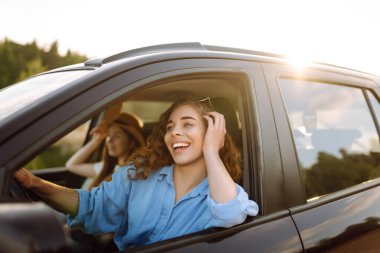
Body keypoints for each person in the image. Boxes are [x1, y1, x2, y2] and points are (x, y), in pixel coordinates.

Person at [14, 98, 259, 251]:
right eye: (170, 127)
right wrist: (33, 183)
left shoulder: (221, 191)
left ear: (212, 134)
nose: (174, 133)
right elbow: (91, 206)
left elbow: (230, 215)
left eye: (188, 124)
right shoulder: (138, 173)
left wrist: (210, 151)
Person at [66, 113, 145, 189]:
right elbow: (71, 165)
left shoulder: (134, 169)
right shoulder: (107, 167)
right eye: (108, 135)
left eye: (117, 136)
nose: (109, 140)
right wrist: (97, 140)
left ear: (131, 143)